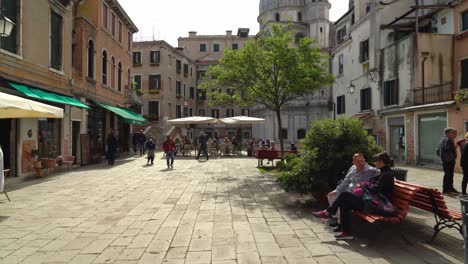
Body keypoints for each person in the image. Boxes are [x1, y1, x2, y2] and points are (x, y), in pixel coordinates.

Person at [313, 152, 395, 240]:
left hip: (376, 205)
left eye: (376, 161)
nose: (374, 163)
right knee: (345, 202)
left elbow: (375, 189)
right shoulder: (383, 172)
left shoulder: (387, 175)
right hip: (371, 201)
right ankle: (346, 232)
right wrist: (365, 184)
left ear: (382, 162)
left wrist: (363, 185)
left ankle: (328, 212)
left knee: (344, 194)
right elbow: (372, 185)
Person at [326, 153, 380, 231]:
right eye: (358, 162)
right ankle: (338, 220)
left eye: (362, 161)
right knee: (331, 195)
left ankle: (338, 222)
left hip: (359, 195)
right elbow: (346, 181)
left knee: (342, 198)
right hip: (349, 191)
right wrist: (336, 190)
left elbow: (383, 174)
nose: (361, 163)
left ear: (364, 160)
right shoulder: (352, 168)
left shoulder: (371, 170)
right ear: (353, 162)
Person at [437, 127, 459, 194]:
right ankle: (446, 190)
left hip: (446, 160)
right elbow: (448, 149)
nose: (456, 135)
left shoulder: (443, 139)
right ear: (450, 133)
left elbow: (437, 150)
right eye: (454, 133)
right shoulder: (448, 140)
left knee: (450, 175)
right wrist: (455, 146)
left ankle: (450, 188)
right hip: (448, 161)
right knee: (448, 175)